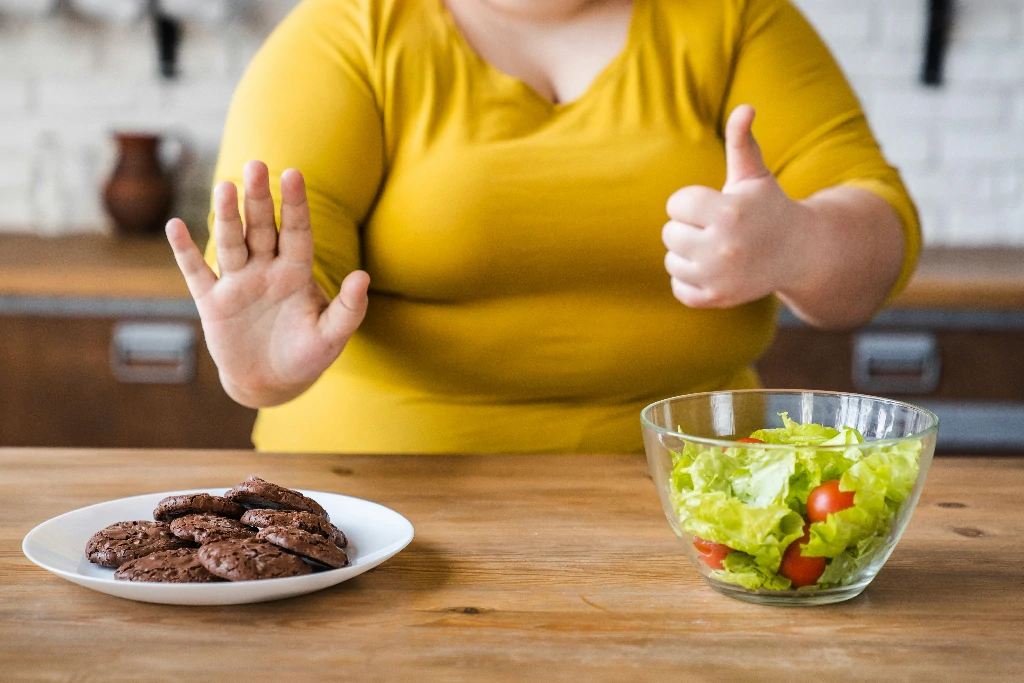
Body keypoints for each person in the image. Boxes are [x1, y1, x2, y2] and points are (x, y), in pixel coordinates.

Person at [165, 0, 920, 454]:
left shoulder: (735, 17)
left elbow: (876, 228)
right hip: (376, 517)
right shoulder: (349, 31)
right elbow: (292, 264)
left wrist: (797, 243)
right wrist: (265, 361)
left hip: (700, 509)